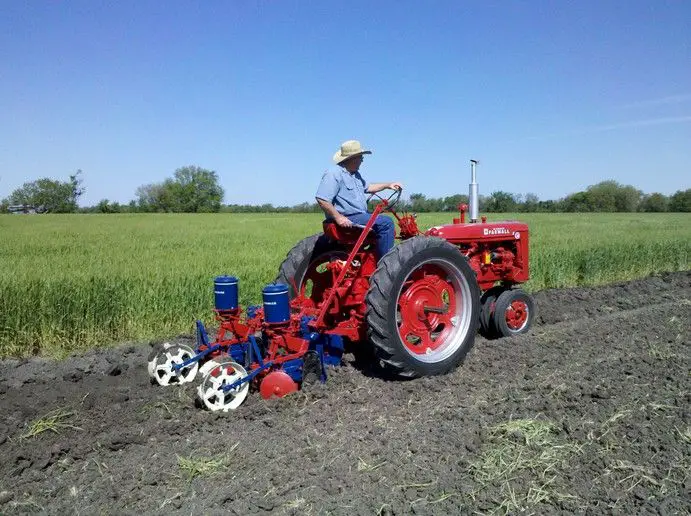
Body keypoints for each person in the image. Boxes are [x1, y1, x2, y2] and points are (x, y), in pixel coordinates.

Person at [315, 140, 402, 260]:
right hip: (348, 217)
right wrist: (339, 217)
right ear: (352, 158)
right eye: (361, 157)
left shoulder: (355, 175)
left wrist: (388, 185)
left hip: (358, 216)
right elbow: (322, 199)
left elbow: (369, 187)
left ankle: (372, 258)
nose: (362, 160)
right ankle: (386, 265)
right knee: (386, 223)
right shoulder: (334, 173)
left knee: (379, 221)